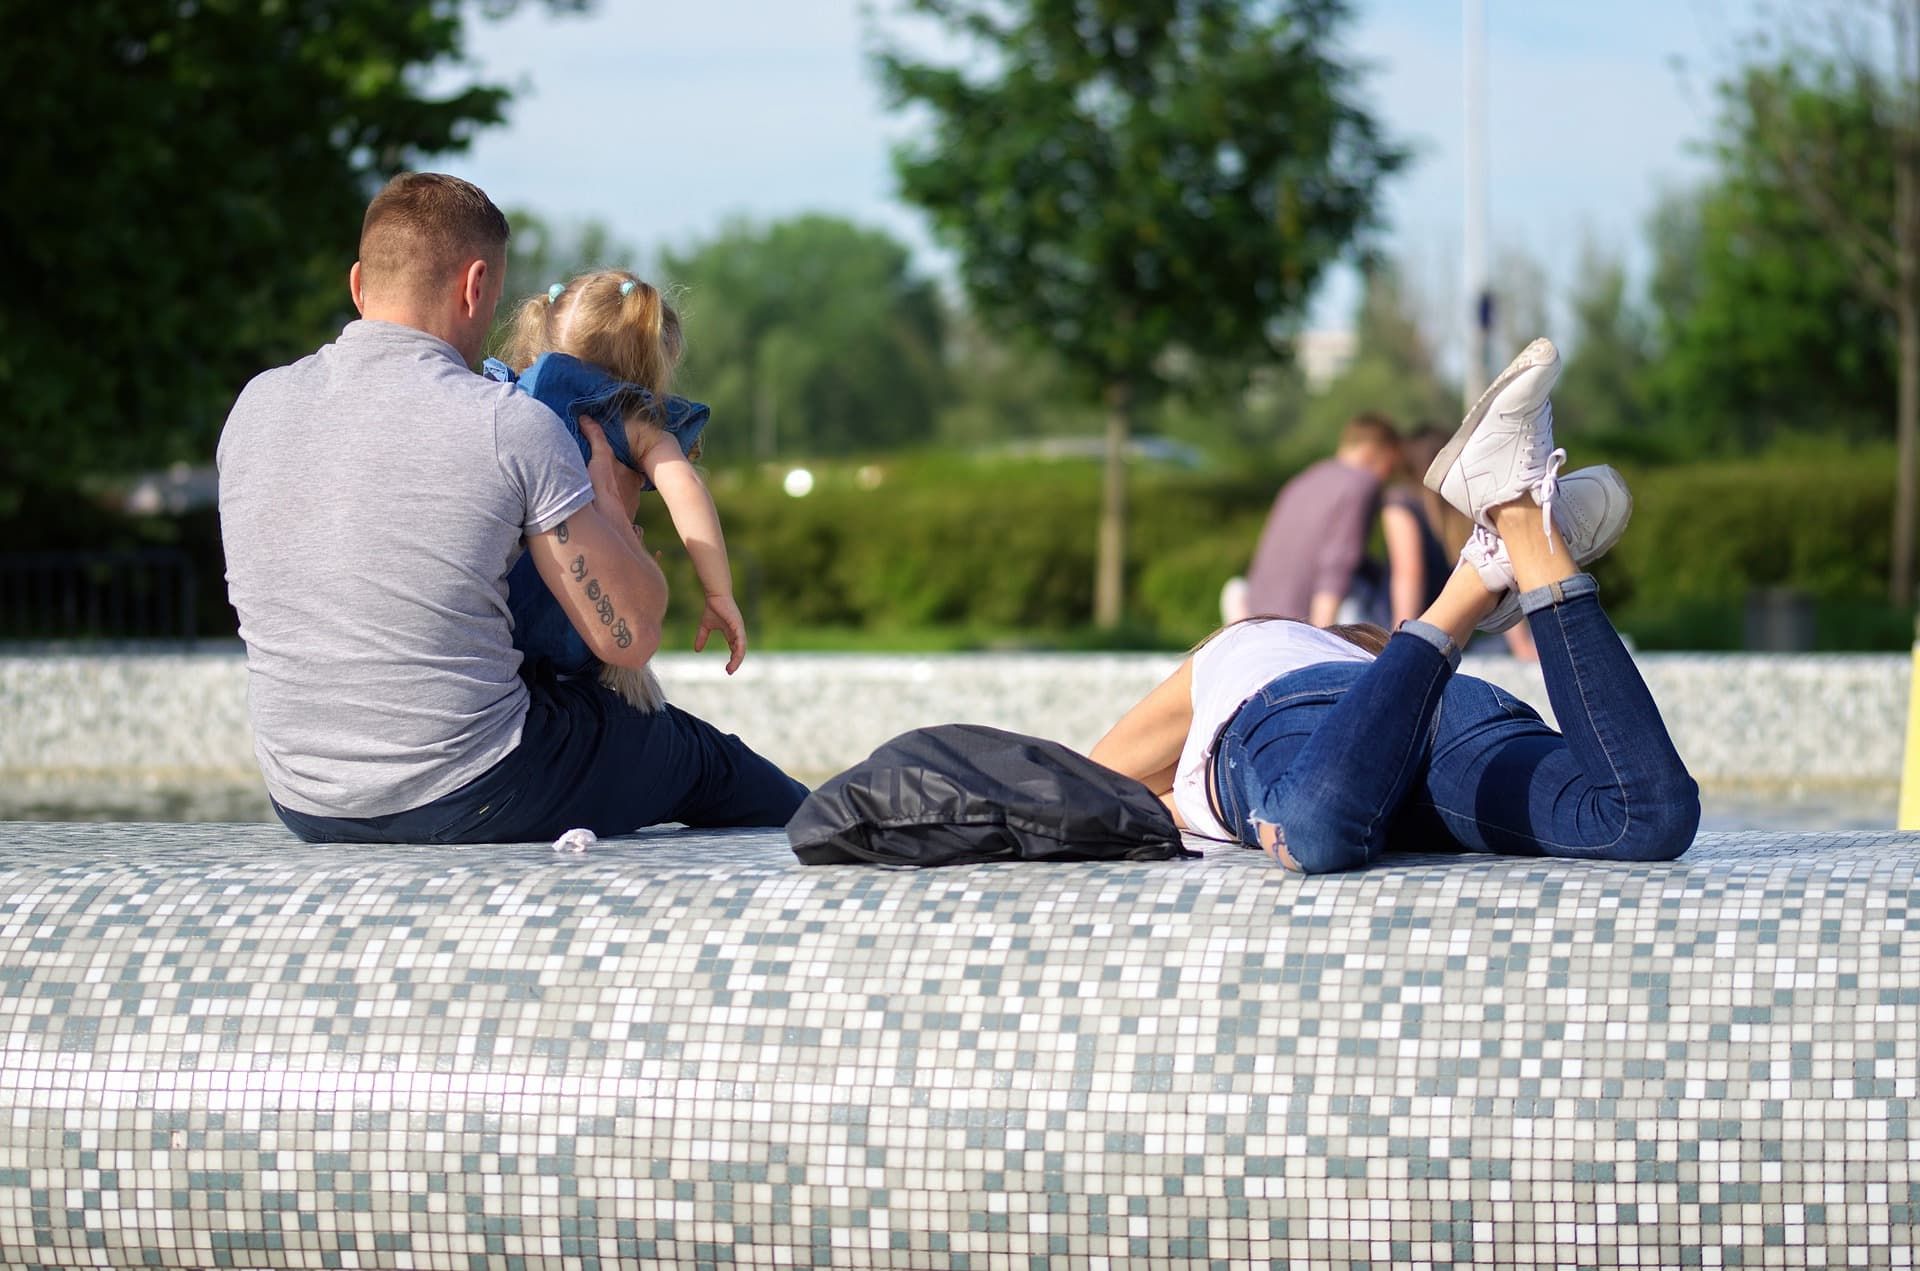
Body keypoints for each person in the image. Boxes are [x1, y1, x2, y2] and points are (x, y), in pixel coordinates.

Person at [217, 172, 806, 843]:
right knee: (705, 759)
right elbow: (628, 635)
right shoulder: (506, 424)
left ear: (358, 286)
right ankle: (852, 836)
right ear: (474, 286)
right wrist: (613, 512)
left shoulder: (255, 408)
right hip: (477, 787)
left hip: (305, 798)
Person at [1090, 338, 1696, 873]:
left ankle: (1480, 576)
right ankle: (1520, 531)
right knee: (1645, 816)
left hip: (1307, 707)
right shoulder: (1298, 651)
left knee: (1311, 832)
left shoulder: (1245, 647)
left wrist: (1182, 808)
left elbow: (1098, 782)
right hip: (1451, 711)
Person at [484, 269, 745, 715]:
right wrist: (718, 593)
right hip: (584, 611)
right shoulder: (628, 417)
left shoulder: (506, 397)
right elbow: (686, 490)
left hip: (495, 613)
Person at [1242, 414, 1402, 626]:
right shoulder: (1361, 483)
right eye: (1389, 467)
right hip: (1302, 620)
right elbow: (1338, 561)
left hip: (1258, 614)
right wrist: (1321, 635)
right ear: (1369, 454)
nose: (1387, 478)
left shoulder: (1304, 479)